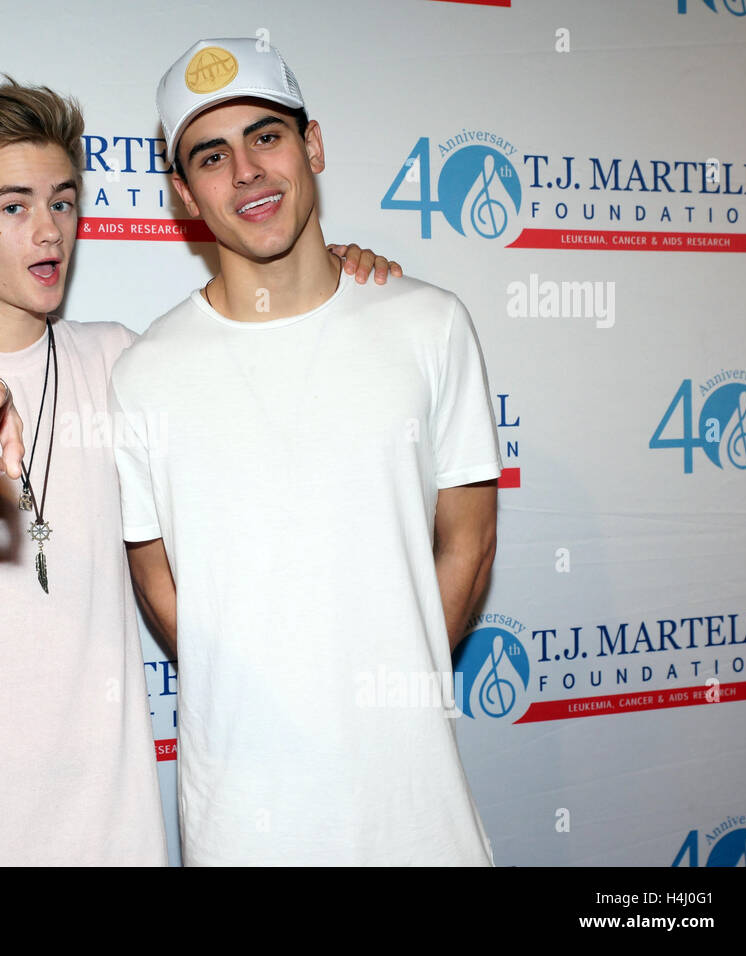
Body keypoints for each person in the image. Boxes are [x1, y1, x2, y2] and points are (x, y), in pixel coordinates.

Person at [0, 77, 401, 865]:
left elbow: (248, 342)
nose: (48, 231)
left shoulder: (119, 356)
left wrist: (329, 277)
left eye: (63, 202)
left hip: (112, 813)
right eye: (13, 207)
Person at [109, 39, 502, 866]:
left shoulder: (429, 324)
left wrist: (398, 689)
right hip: (244, 822)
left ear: (312, 145)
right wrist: (263, 697)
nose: (247, 171)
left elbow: (467, 540)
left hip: (415, 813)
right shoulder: (144, 374)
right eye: (212, 157)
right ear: (184, 195)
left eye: (267, 137)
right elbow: (156, 578)